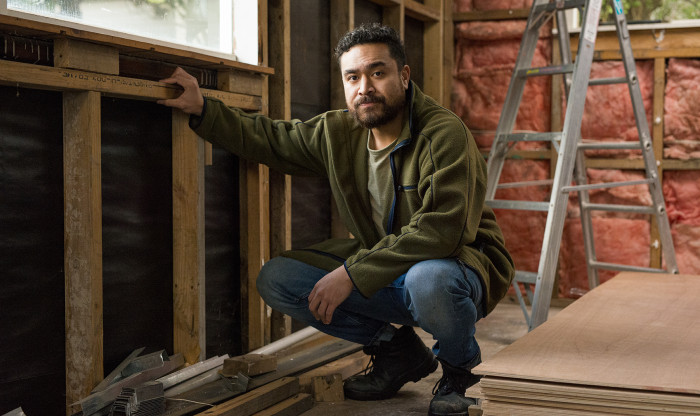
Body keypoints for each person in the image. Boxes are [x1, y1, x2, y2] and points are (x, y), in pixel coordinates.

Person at [159, 23, 514, 416]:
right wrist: (204, 109)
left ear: (404, 75)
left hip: (457, 271)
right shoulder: (337, 132)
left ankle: (460, 371)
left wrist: (350, 274)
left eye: (377, 73)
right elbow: (273, 139)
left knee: (427, 278)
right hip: (388, 271)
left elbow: (441, 232)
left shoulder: (444, 134)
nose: (365, 87)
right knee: (278, 279)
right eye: (353, 76)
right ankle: (397, 353)